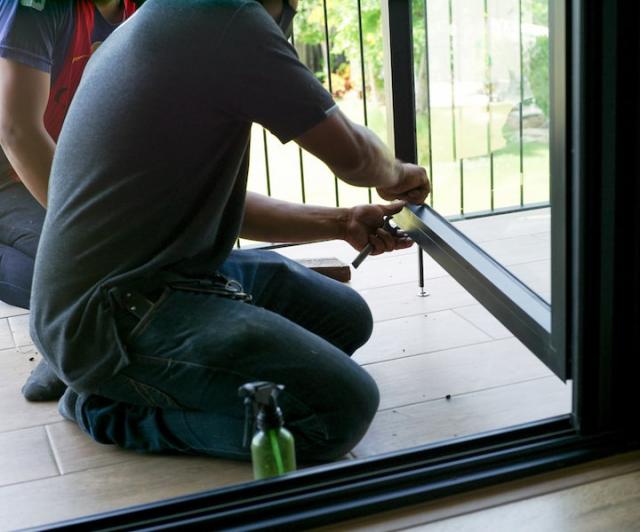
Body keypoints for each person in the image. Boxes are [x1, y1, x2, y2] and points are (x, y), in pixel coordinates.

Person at [30, 0, 430, 463]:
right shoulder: (223, 16)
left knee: (343, 319)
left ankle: (129, 375)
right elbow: (356, 158)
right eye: (294, 8)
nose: (292, 15)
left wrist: (342, 223)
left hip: (161, 276)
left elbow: (223, 206)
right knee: (339, 411)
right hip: (113, 311)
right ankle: (105, 406)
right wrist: (399, 173)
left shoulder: (183, 14)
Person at [0, 0, 137, 401]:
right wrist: (87, 227)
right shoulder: (38, 7)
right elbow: (17, 132)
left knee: (121, 258)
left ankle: (74, 343)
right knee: (81, 263)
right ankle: (70, 350)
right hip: (10, 170)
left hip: (55, 165)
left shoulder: (144, 10)